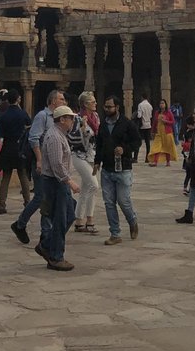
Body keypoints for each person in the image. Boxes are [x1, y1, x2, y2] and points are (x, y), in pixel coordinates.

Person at [10, 89, 66, 247]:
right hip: (41, 163)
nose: (64, 101)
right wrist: (40, 159)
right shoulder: (43, 116)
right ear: (53, 101)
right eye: (61, 99)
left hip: (53, 164)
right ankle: (26, 226)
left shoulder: (57, 118)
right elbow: (34, 138)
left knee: (46, 198)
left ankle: (41, 231)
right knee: (42, 197)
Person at [93, 93, 141, 245]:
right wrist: (97, 162)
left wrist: (125, 149)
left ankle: (132, 221)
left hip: (123, 168)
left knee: (123, 200)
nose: (107, 109)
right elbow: (99, 144)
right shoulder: (103, 125)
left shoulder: (127, 124)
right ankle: (115, 233)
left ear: (117, 107)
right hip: (107, 168)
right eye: (105, 107)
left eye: (110, 107)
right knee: (108, 202)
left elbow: (137, 142)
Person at [37, 104, 80, 271]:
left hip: (58, 182)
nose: (72, 121)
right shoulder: (55, 137)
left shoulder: (60, 135)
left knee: (69, 214)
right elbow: (56, 164)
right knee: (61, 218)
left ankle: (46, 244)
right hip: (56, 182)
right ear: (62, 119)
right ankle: (56, 256)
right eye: (70, 118)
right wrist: (69, 181)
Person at [0, 90, 31, 215]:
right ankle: (27, 202)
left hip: (7, 147)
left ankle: (2, 205)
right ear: (18, 99)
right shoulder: (22, 114)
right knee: (23, 175)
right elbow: (29, 125)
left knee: (6, 176)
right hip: (20, 147)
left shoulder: (3, 115)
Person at [71, 91, 100, 235]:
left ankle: (78, 220)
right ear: (85, 104)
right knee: (94, 185)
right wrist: (82, 130)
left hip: (91, 156)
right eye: (92, 102)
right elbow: (73, 138)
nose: (95, 104)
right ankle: (90, 219)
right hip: (79, 155)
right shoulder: (78, 119)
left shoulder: (95, 117)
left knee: (86, 187)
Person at [148, 99, 178, 166]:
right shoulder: (157, 113)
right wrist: (152, 131)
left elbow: (173, 122)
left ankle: (168, 162)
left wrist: (166, 121)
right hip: (159, 133)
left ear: (165, 104)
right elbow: (154, 123)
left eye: (163, 103)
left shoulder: (169, 112)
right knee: (156, 147)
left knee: (167, 147)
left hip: (167, 133)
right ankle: (155, 162)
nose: (161, 105)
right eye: (160, 103)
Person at [136, 94, 153, 162]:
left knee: (137, 141)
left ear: (142, 97)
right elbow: (151, 116)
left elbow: (139, 116)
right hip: (148, 125)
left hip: (141, 125)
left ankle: (135, 157)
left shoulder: (140, 105)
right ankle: (147, 158)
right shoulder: (150, 106)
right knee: (147, 143)